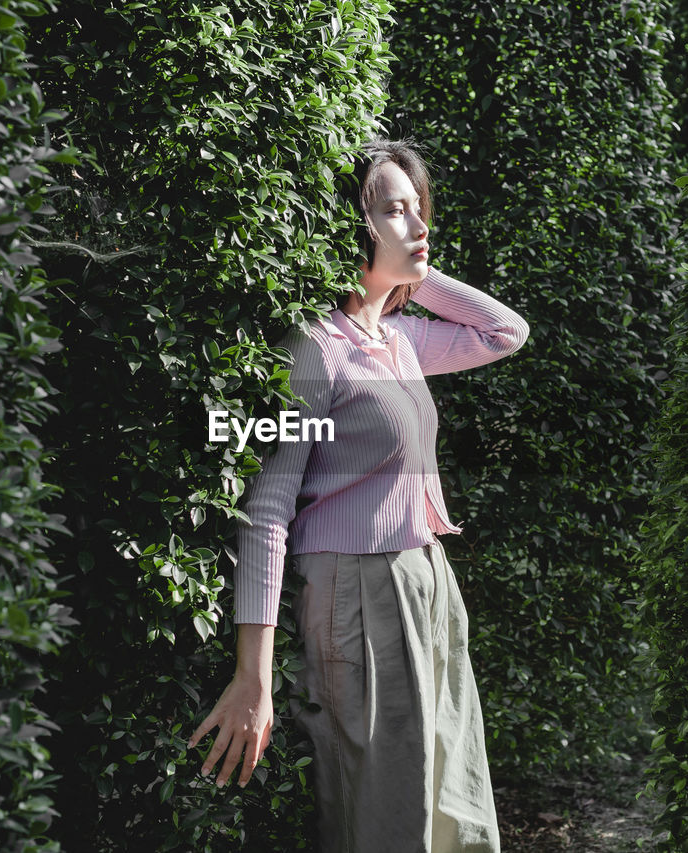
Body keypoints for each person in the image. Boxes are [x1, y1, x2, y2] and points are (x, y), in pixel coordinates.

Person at [187, 138, 529, 852]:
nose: (419, 223)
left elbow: (506, 330)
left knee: (450, 802)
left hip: (426, 581)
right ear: (353, 227)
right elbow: (270, 504)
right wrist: (253, 674)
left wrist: (406, 273)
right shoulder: (316, 348)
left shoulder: (399, 338)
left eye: (419, 208)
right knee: (386, 814)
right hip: (357, 593)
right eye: (393, 211)